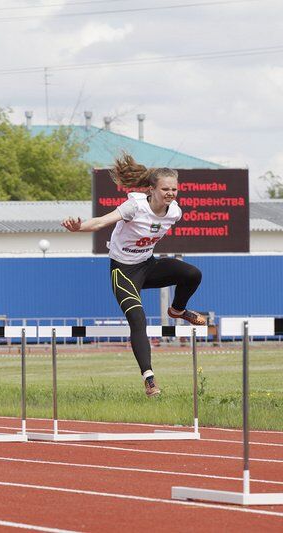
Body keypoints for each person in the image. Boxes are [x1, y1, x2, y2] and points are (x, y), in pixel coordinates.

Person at [62, 154, 205, 397]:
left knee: (192, 274)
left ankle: (178, 310)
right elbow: (100, 223)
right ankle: (149, 379)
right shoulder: (135, 207)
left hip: (147, 266)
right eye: (165, 189)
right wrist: (79, 227)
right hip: (124, 271)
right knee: (138, 320)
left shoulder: (175, 213)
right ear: (152, 189)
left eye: (174, 189)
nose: (170, 193)